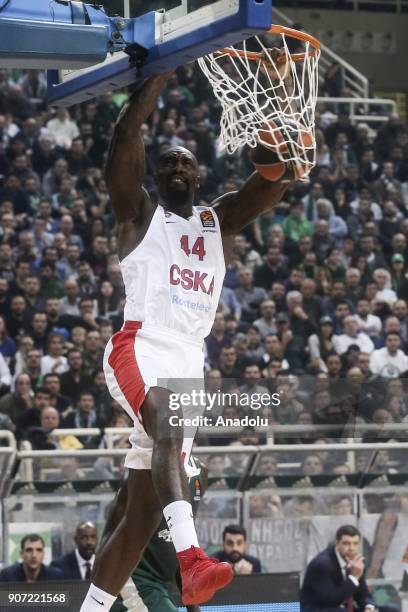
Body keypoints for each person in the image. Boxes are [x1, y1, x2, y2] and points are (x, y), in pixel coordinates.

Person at [80, 70, 291, 612]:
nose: (176, 167)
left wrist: (281, 131)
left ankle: (94, 607)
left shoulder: (215, 221)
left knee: (139, 511)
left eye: (185, 162)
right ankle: (193, 559)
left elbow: (270, 184)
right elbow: (125, 139)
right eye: (167, 161)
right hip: (141, 344)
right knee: (166, 423)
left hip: (188, 358)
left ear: (197, 175)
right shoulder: (139, 214)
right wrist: (159, 72)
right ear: (158, 172)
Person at [111, 456, 206, 612]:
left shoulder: (200, 472)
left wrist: (193, 607)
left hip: (163, 584)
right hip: (135, 578)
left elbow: (184, 541)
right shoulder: (140, 472)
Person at [300, 525, 375, 612]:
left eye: (355, 544)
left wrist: (369, 607)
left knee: (389, 610)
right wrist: (353, 577)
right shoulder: (322, 565)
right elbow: (330, 601)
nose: (351, 548)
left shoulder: (357, 563)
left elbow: (363, 593)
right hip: (318, 609)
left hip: (342, 609)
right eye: (346, 543)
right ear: (337, 544)